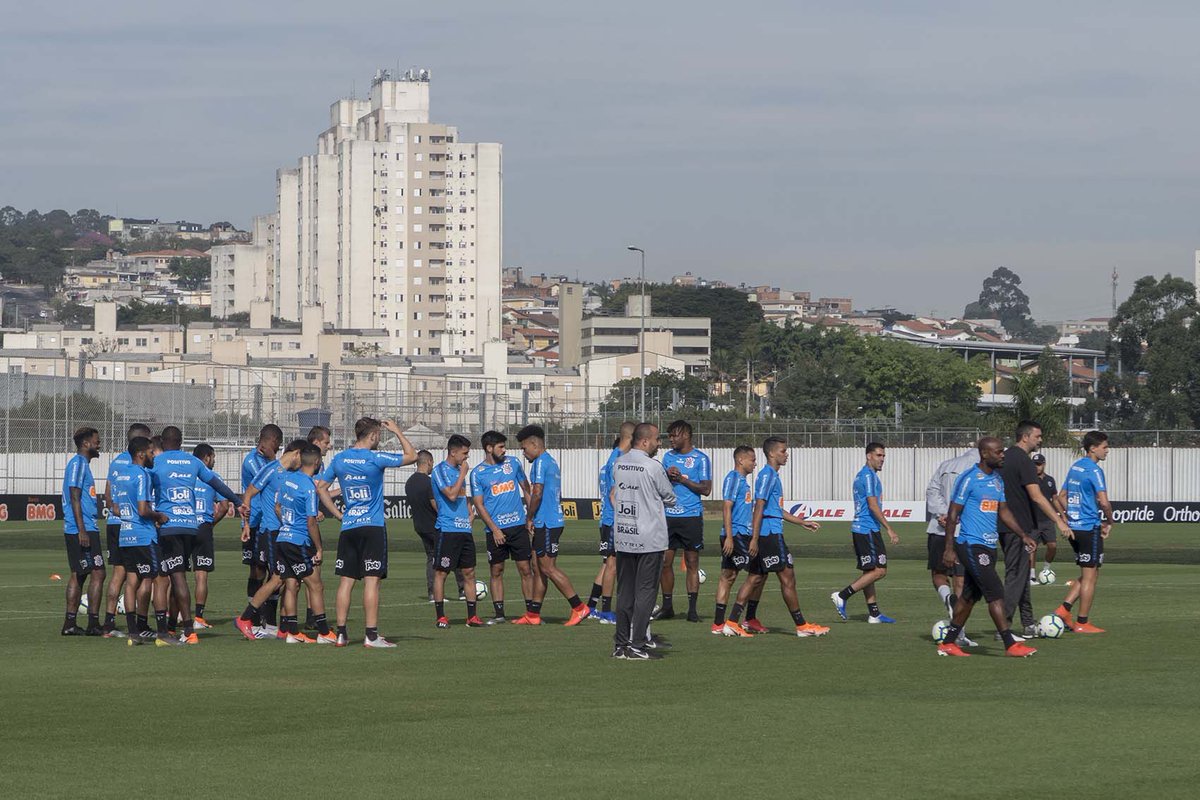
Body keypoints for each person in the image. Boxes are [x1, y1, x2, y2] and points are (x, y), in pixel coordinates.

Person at [316, 417, 416, 648]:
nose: (379, 439)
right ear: (372, 435)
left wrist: (337, 513)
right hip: (372, 526)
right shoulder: (374, 458)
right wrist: (398, 431)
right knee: (372, 582)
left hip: (349, 527)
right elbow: (411, 456)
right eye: (379, 435)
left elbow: (321, 487)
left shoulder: (340, 459)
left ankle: (341, 633)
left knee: (346, 581)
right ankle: (371, 636)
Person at [936, 437, 1039, 658]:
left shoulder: (997, 480)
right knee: (996, 592)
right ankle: (1009, 643)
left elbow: (1004, 512)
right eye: (999, 452)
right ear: (985, 454)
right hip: (971, 545)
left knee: (969, 597)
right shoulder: (969, 479)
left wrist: (1022, 535)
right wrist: (949, 548)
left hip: (989, 546)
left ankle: (948, 643)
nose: (1003, 455)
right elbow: (953, 515)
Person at [725, 436, 829, 638]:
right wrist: (754, 539)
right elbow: (759, 507)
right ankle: (801, 625)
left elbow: (776, 509)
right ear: (771, 453)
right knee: (787, 577)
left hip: (768, 532)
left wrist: (801, 521)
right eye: (782, 451)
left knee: (756, 577)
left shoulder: (772, 475)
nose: (786, 454)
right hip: (769, 534)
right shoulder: (767, 475)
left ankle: (732, 621)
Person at [149, 425, 240, 644]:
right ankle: (172, 627)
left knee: (168, 578)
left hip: (168, 526)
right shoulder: (193, 462)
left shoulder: (156, 463)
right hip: (191, 526)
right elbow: (216, 483)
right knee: (177, 574)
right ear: (181, 442)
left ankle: (188, 630)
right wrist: (238, 501)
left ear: (162, 442)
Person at [997, 421, 1071, 639]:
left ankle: (1028, 623)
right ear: (1025, 437)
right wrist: (1059, 521)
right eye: (1038, 436)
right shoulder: (1024, 461)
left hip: (1005, 524)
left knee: (1020, 576)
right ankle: (1004, 629)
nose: (1041, 440)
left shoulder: (1004, 457)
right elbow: (1037, 496)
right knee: (1015, 576)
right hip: (1019, 527)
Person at [610, 422, 676, 660]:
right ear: (645, 441)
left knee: (625, 592)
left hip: (625, 536)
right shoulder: (652, 466)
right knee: (646, 592)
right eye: (657, 439)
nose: (659, 444)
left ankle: (620, 645)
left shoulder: (619, 462)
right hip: (650, 538)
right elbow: (670, 497)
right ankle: (637, 645)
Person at [517, 424, 591, 626]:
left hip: (548, 522)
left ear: (534, 444)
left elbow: (537, 493)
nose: (523, 453)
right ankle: (533, 614)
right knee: (538, 567)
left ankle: (578, 607)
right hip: (547, 522)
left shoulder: (540, 462)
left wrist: (529, 517)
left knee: (548, 568)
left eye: (524, 448)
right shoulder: (549, 461)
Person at [109, 436, 172, 645]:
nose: (153, 455)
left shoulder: (121, 475)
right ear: (141, 453)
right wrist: (159, 516)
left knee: (131, 581)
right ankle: (163, 634)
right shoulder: (141, 475)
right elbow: (144, 510)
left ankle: (133, 634)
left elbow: (115, 508)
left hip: (126, 536)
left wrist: (131, 515)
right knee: (161, 579)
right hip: (144, 537)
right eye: (151, 451)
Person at [240, 440, 306, 639]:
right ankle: (249, 619)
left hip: (285, 531)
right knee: (279, 577)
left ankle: (283, 628)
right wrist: (246, 524)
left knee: (290, 580)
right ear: (296, 453)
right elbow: (249, 493)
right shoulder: (271, 470)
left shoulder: (291, 474)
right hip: (271, 531)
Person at [470, 430, 534, 625]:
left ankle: (531, 613)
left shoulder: (513, 463)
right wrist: (495, 529)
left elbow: (527, 488)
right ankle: (499, 615)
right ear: (489, 448)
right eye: (501, 447)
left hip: (517, 526)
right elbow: (479, 505)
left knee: (525, 569)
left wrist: (530, 518)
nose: (504, 450)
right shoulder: (477, 474)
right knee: (496, 571)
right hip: (495, 530)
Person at [831, 442, 900, 624]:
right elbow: (872, 505)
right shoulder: (868, 476)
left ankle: (874, 613)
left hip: (864, 529)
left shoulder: (865, 475)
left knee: (869, 571)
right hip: (867, 529)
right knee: (880, 570)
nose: (882, 459)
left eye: (884, 456)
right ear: (869, 456)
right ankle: (842, 595)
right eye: (879, 455)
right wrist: (889, 528)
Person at [1053, 431, 1114, 634]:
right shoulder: (1094, 470)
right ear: (1093, 448)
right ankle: (1082, 622)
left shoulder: (1075, 466)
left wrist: (1070, 516)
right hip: (1089, 528)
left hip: (1075, 529)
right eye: (1104, 447)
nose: (1107, 450)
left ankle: (1064, 610)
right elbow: (1104, 502)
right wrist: (1109, 521)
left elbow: (1061, 496)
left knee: (1090, 572)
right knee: (1090, 576)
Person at [275, 444, 334, 644]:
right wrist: (318, 548)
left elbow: (277, 507)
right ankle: (324, 633)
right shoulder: (309, 486)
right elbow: (311, 522)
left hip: (282, 538)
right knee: (316, 586)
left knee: (292, 584)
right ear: (316, 462)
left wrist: (287, 525)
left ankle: (292, 632)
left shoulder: (287, 479)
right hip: (298, 541)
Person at [656, 420, 712, 622]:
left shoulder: (701, 459)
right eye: (669, 436)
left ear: (686, 436)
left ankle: (692, 610)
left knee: (692, 562)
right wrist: (667, 476)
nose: (671, 439)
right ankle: (668, 606)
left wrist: (683, 480)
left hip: (691, 516)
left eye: (674, 435)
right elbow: (659, 483)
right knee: (664, 562)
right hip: (668, 515)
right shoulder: (667, 457)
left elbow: (706, 489)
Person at [100, 422, 152, 638]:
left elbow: (108, 496)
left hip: (114, 523)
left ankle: (109, 623)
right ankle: (141, 624)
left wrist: (119, 512)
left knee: (118, 574)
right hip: (134, 524)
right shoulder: (140, 468)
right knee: (141, 577)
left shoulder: (116, 462)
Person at [924, 447, 980, 648]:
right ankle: (960, 633)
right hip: (963, 531)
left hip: (938, 529)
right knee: (961, 580)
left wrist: (941, 513)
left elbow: (932, 489)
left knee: (938, 574)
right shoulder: (978, 470)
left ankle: (947, 598)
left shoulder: (946, 465)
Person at [431, 435, 483, 628]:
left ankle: (472, 617)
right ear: (453, 452)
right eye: (465, 453)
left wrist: (470, 512)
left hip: (464, 530)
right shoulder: (439, 471)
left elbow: (461, 496)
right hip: (447, 529)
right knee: (442, 572)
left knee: (469, 572)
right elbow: (451, 495)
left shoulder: (459, 471)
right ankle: (441, 617)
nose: (466, 457)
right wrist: (463, 474)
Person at [587, 422, 636, 624]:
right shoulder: (619, 460)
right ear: (631, 438)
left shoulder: (613, 457)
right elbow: (614, 495)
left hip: (608, 520)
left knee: (608, 563)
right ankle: (607, 612)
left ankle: (590, 606)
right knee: (613, 566)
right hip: (614, 520)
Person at [61, 427, 105, 636]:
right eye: (96, 441)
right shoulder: (78, 464)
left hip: (84, 526)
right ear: (86, 444)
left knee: (80, 574)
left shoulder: (82, 465)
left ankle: (70, 624)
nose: (99, 444)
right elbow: (74, 496)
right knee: (97, 572)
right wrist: (82, 530)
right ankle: (93, 623)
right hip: (82, 528)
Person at [406, 450, 467, 602]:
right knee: (453, 554)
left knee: (431, 558)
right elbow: (436, 505)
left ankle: (433, 593)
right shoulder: (429, 482)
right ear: (429, 462)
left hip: (420, 526)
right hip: (435, 526)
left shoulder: (410, 482)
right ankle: (463, 590)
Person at [712, 445, 757, 637]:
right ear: (741, 460)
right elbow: (726, 507)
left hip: (740, 533)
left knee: (728, 577)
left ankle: (718, 624)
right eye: (752, 460)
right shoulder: (733, 479)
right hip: (736, 534)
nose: (755, 463)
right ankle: (733, 620)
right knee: (756, 573)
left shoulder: (743, 482)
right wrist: (729, 537)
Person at [241, 424, 282, 626]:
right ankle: (255, 620)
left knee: (274, 571)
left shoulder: (269, 461)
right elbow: (268, 479)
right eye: (277, 445)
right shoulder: (253, 461)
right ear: (272, 442)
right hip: (254, 522)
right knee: (258, 570)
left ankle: (268, 619)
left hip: (267, 522)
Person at [190, 442, 231, 630]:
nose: (214, 461)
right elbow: (224, 506)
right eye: (213, 457)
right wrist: (210, 523)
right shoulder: (214, 477)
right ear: (207, 457)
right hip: (203, 527)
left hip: (183, 526)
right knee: (201, 575)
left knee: (175, 574)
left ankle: (170, 614)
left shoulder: (185, 475)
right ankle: (198, 617)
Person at [1029, 452, 1065, 584]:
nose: (1036, 467)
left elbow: (1055, 499)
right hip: (1033, 519)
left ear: (1044, 465)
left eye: (1038, 464)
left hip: (1048, 519)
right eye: (1034, 465)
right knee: (1032, 548)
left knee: (1052, 546)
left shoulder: (1050, 480)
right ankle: (1031, 576)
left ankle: (1046, 569)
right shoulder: (1029, 480)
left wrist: (1062, 516)